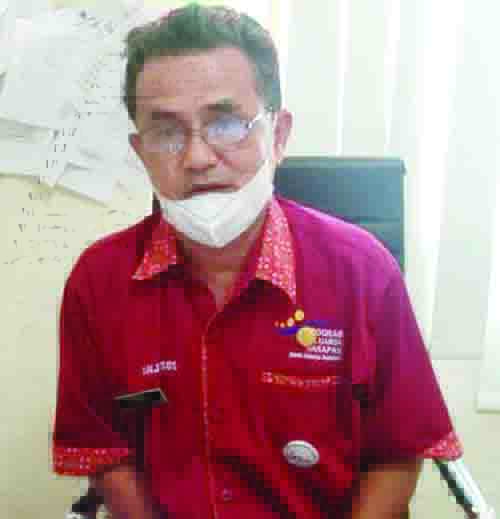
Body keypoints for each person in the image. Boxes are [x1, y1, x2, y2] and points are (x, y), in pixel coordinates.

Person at [52, 4, 463, 518]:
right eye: (167, 132)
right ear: (141, 152)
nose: (197, 158)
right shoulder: (99, 282)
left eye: (226, 124)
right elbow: (108, 454)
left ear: (279, 135)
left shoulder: (363, 271)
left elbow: (398, 452)